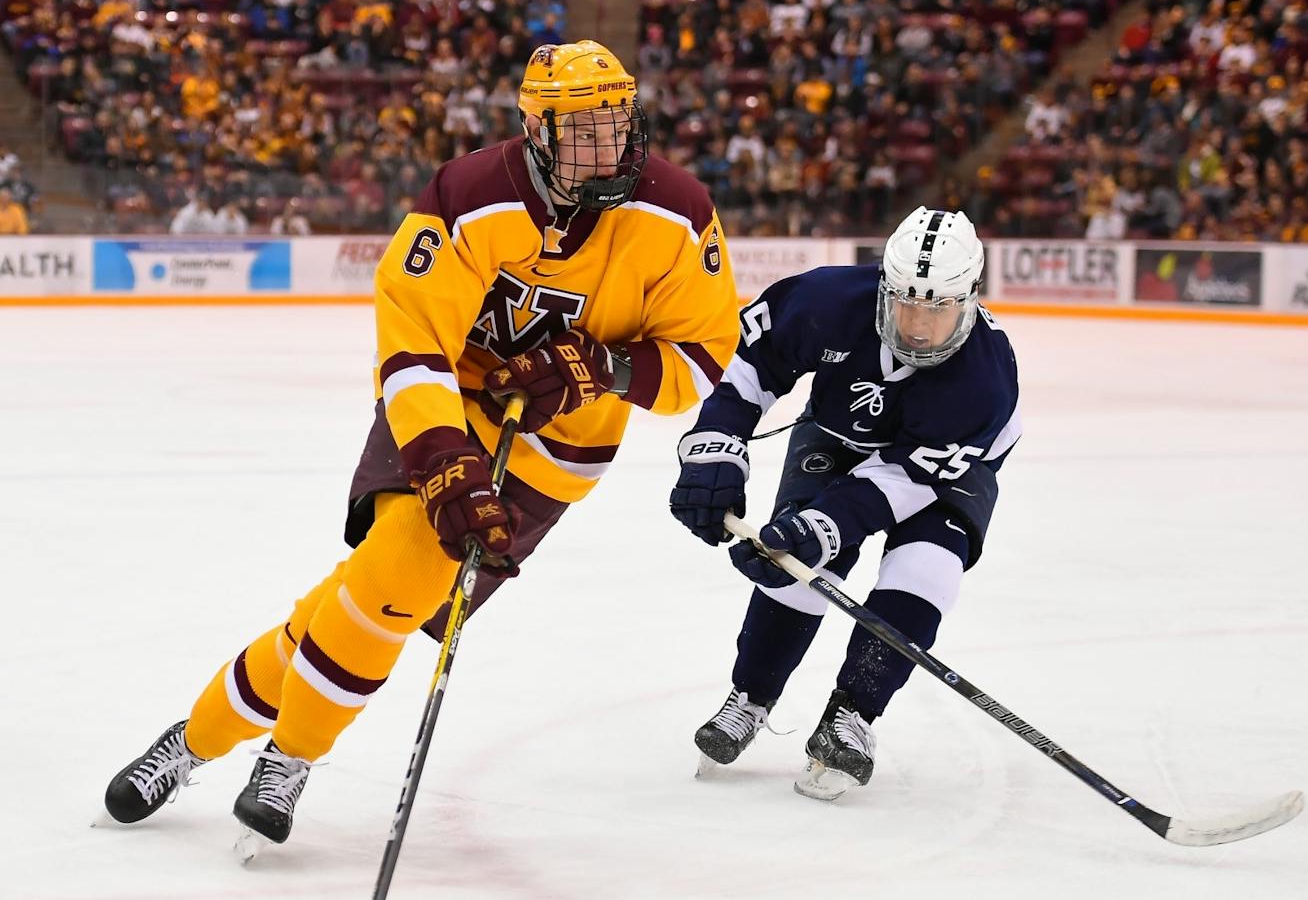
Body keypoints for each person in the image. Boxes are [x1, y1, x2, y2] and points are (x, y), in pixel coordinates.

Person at [105, 41, 741, 847]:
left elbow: (700, 358)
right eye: (581, 130)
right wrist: (446, 465)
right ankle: (289, 756)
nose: (605, 145)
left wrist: (601, 367)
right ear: (536, 131)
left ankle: (193, 740)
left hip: (559, 455)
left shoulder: (678, 211)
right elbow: (413, 347)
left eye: (615, 122)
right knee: (401, 575)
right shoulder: (470, 194)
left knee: (367, 597)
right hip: (445, 412)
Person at [669, 207, 1019, 800]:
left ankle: (853, 713)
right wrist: (715, 449)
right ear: (884, 283)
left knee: (925, 570)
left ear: (969, 298)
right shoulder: (827, 301)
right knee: (794, 569)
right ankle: (751, 695)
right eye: (906, 302)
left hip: (946, 468)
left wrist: (826, 524)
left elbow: (904, 482)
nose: (918, 325)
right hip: (837, 435)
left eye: (938, 307)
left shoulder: (984, 380)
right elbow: (749, 362)